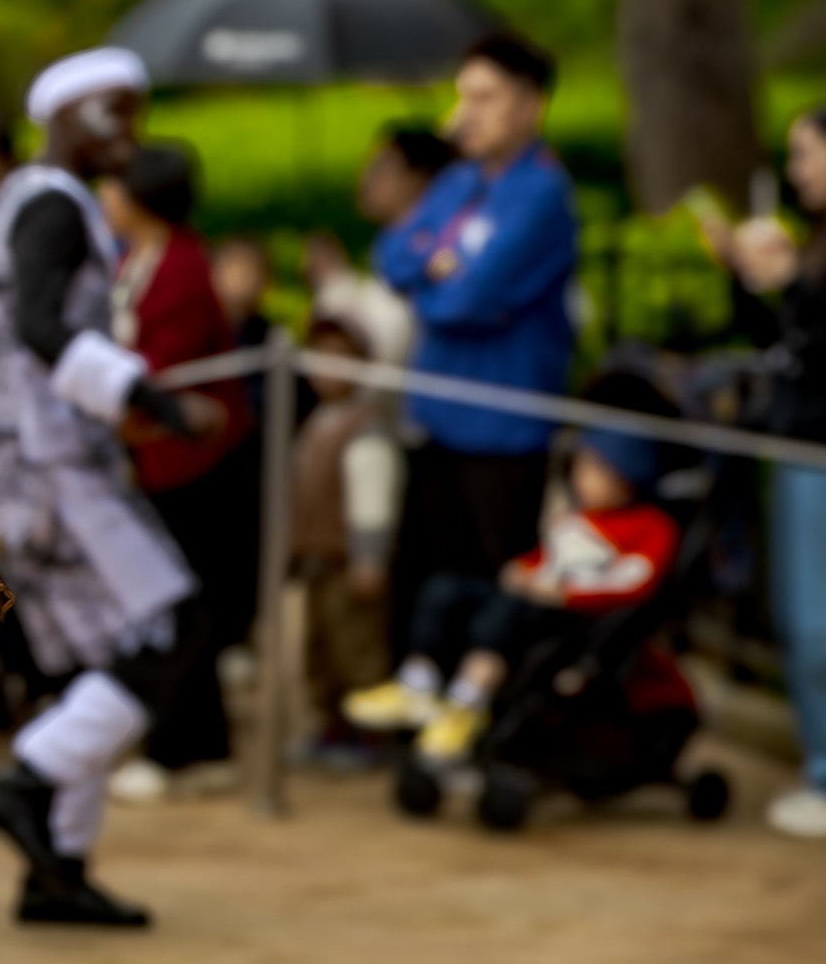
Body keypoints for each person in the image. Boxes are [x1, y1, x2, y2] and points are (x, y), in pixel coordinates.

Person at [0, 46, 226, 928]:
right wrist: (152, 399)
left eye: (137, 111)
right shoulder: (53, 206)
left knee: (99, 662)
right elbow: (40, 328)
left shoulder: (22, 201)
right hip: (56, 470)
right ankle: (28, 778)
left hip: (22, 466)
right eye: (114, 111)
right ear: (65, 115)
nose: (131, 132)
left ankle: (58, 871)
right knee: (172, 625)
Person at [378, 34, 579, 643]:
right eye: (464, 95)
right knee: (426, 576)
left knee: (494, 586)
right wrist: (436, 272)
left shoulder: (543, 193)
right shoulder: (458, 181)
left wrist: (434, 278)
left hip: (503, 427)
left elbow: (473, 297)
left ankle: (482, 711)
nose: (468, 112)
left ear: (530, 105)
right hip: (438, 418)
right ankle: (420, 696)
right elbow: (392, 255)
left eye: (486, 97)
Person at [346, 430, 675, 764]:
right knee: (443, 591)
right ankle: (417, 683)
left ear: (626, 477)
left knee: (505, 613)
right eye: (578, 468)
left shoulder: (651, 526)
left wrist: (566, 594)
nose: (580, 479)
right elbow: (546, 559)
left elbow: (635, 582)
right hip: (534, 593)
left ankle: (466, 702)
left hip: (568, 613)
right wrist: (521, 568)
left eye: (593, 470)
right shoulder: (577, 520)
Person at [99, 140, 256, 792]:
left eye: (112, 188)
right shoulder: (147, 258)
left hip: (194, 460)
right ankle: (192, 739)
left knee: (180, 600)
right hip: (160, 453)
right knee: (176, 600)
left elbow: (161, 374)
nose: (103, 200)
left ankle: (184, 746)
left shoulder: (182, 267)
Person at [704, 105, 826, 838]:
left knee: (815, 624)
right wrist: (749, 280)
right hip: (795, 445)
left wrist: (788, 286)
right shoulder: (810, 243)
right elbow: (780, 344)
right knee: (802, 621)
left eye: (807, 154)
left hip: (817, 451)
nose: (796, 170)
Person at [289, 314, 405, 768]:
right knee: (320, 653)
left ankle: (372, 737)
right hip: (318, 558)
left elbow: (373, 500)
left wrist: (369, 556)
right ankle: (331, 726)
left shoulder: (365, 428)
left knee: (358, 651)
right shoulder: (316, 422)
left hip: (348, 560)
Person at [305, 124, 457, 372]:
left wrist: (335, 288)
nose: (365, 179)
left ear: (417, 178)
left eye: (382, 169)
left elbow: (390, 342)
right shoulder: (391, 245)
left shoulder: (433, 248)